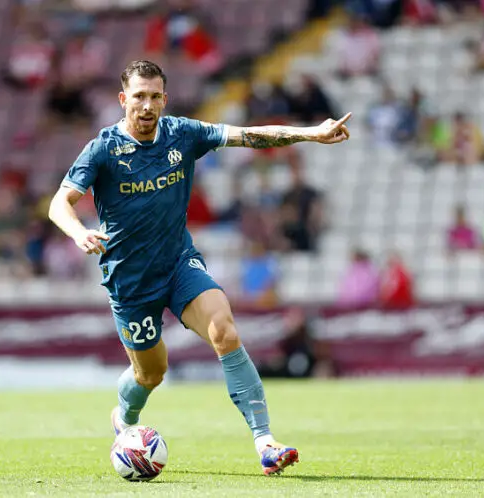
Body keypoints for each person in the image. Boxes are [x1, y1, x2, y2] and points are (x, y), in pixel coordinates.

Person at [48, 60, 351, 476]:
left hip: (178, 263)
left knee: (223, 329)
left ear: (164, 99)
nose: (147, 105)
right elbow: (58, 203)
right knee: (151, 373)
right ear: (123, 100)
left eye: (155, 96)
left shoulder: (183, 133)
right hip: (130, 280)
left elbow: (249, 136)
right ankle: (124, 416)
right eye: (139, 96)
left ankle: (264, 441)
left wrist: (311, 133)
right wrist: (79, 231)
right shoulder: (102, 149)